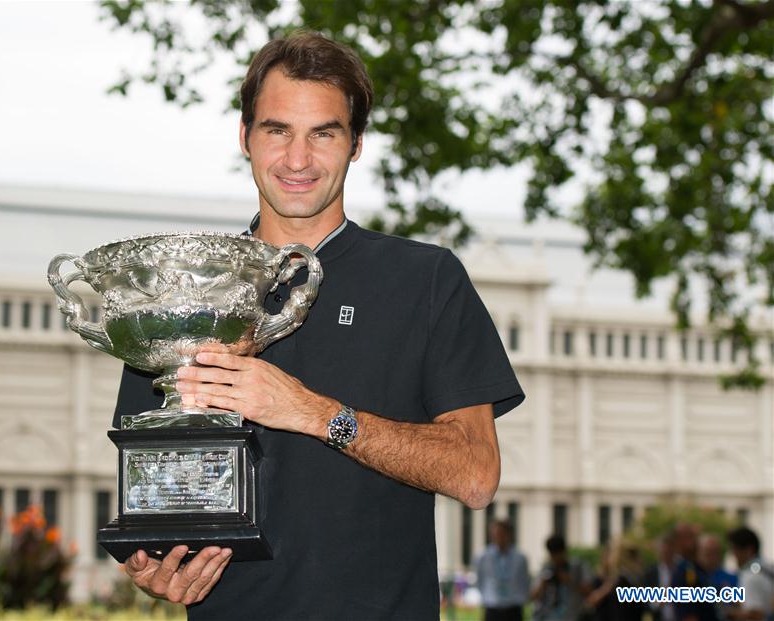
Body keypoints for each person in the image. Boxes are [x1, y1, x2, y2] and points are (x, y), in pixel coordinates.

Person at [115, 31, 525, 620]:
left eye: (323, 134)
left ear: (356, 144)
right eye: (277, 130)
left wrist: (313, 413)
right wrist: (153, 563)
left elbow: (476, 474)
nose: (298, 159)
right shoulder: (183, 294)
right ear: (245, 138)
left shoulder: (426, 280)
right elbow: (150, 485)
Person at [476, 519, 530, 621]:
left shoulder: (520, 557)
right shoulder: (483, 557)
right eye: (495, 534)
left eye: (501, 533)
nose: (498, 537)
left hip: (513, 608)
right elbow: (480, 581)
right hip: (492, 608)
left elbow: (524, 581)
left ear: (508, 534)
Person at [531, 534, 593, 621]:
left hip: (573, 616)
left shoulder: (577, 567)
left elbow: (589, 591)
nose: (555, 558)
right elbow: (533, 596)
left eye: (557, 554)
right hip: (548, 617)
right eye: (552, 554)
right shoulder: (546, 569)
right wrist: (543, 583)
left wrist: (569, 581)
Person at [670, 523, 716, 621]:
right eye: (688, 537)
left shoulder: (696, 567)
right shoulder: (683, 571)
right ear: (678, 542)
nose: (694, 540)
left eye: (693, 536)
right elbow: (688, 614)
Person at [726, 527, 773, 621]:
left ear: (749, 550)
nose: (733, 554)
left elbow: (756, 614)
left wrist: (730, 614)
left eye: (735, 549)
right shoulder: (768, 567)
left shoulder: (750, 576)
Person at [698, 534, 738, 620]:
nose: (710, 556)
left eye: (714, 552)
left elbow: (739, 606)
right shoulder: (692, 577)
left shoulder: (732, 579)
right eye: (707, 551)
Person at [644, 532, 678, 621]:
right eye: (663, 550)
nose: (666, 553)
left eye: (669, 550)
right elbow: (647, 602)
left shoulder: (683, 570)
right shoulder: (651, 573)